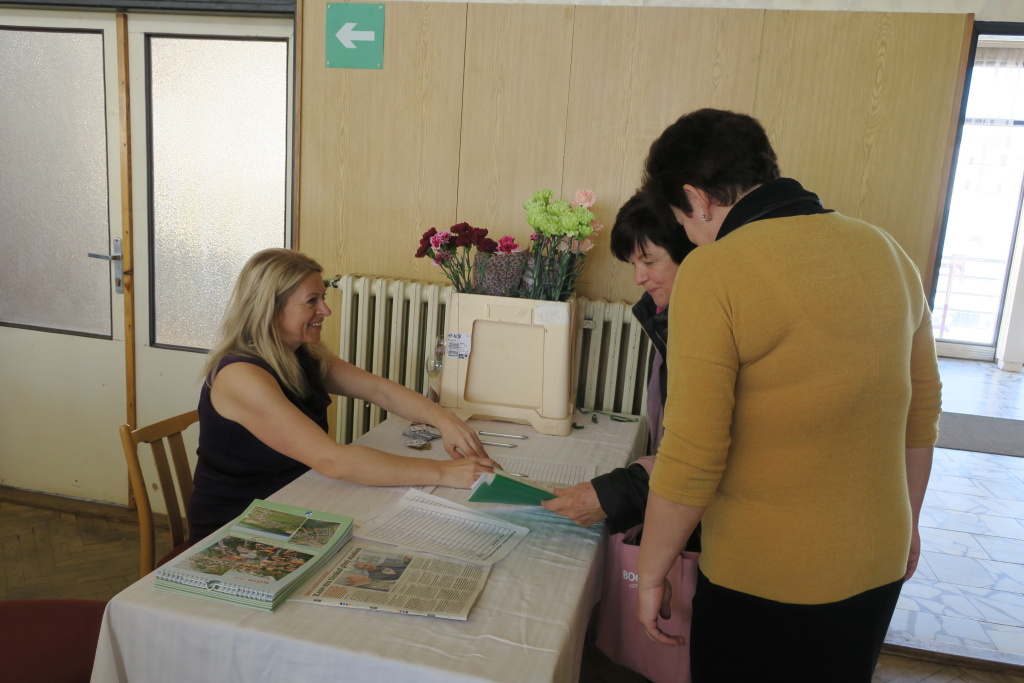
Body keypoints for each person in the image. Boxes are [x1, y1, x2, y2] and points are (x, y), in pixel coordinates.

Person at [635, 109, 942, 683]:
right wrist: (909, 523)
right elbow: (920, 415)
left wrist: (651, 571)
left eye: (682, 220)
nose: (692, 234)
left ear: (698, 199)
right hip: (878, 558)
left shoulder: (715, 270)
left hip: (765, 574)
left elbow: (694, 451)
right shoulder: (888, 251)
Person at [187, 248, 498, 544]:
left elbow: (379, 390)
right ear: (270, 310)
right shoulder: (241, 375)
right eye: (311, 301)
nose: (326, 310)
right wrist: (443, 472)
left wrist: (443, 419)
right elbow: (332, 460)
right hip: (238, 525)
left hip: (297, 501)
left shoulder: (299, 353)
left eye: (322, 297)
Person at [542, 193, 695, 535]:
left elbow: (696, 452)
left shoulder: (702, 327)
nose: (639, 278)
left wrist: (615, 496)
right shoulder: (665, 316)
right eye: (633, 264)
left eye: (650, 261)